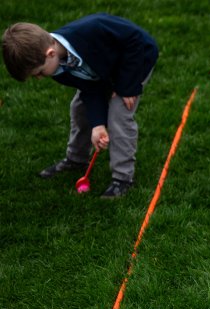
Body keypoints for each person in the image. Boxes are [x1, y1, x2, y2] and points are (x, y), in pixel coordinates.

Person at [2, 15, 159, 198]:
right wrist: (98, 124)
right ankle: (76, 160)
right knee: (79, 108)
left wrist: (126, 86)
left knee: (118, 114)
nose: (39, 78)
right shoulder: (57, 68)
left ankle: (123, 178)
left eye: (38, 73)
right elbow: (90, 88)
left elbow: (138, 43)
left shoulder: (93, 29)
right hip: (103, 73)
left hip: (136, 62)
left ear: (50, 53)